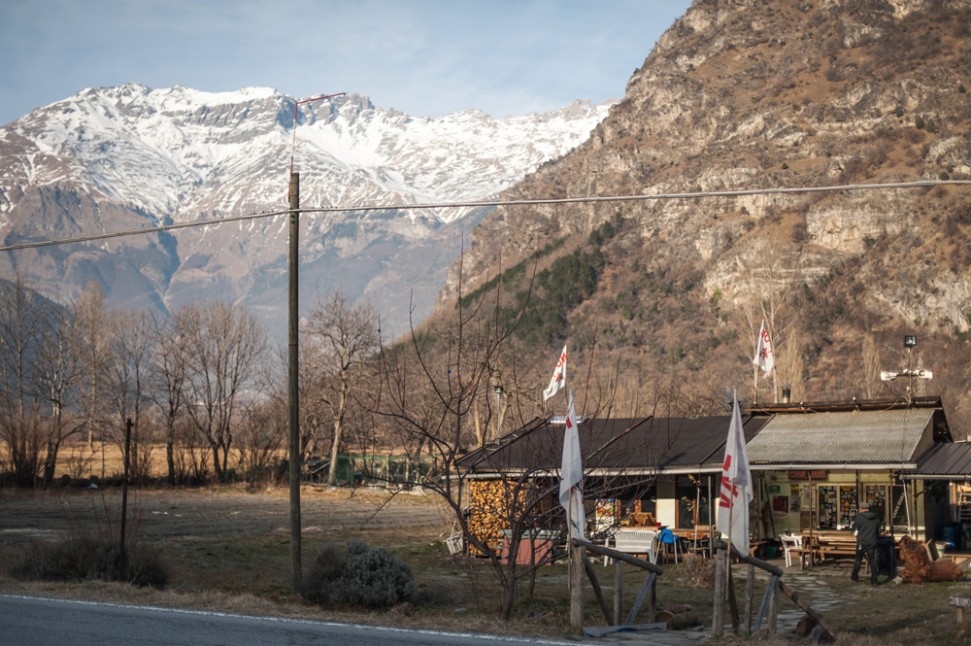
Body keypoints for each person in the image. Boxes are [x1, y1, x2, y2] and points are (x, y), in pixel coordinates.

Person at [851, 503, 882, 585]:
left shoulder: (859, 517)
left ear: (861, 508)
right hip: (872, 542)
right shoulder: (876, 517)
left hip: (861, 542)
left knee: (858, 560)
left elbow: (854, 529)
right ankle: (874, 580)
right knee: (872, 561)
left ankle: (855, 576)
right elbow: (879, 531)